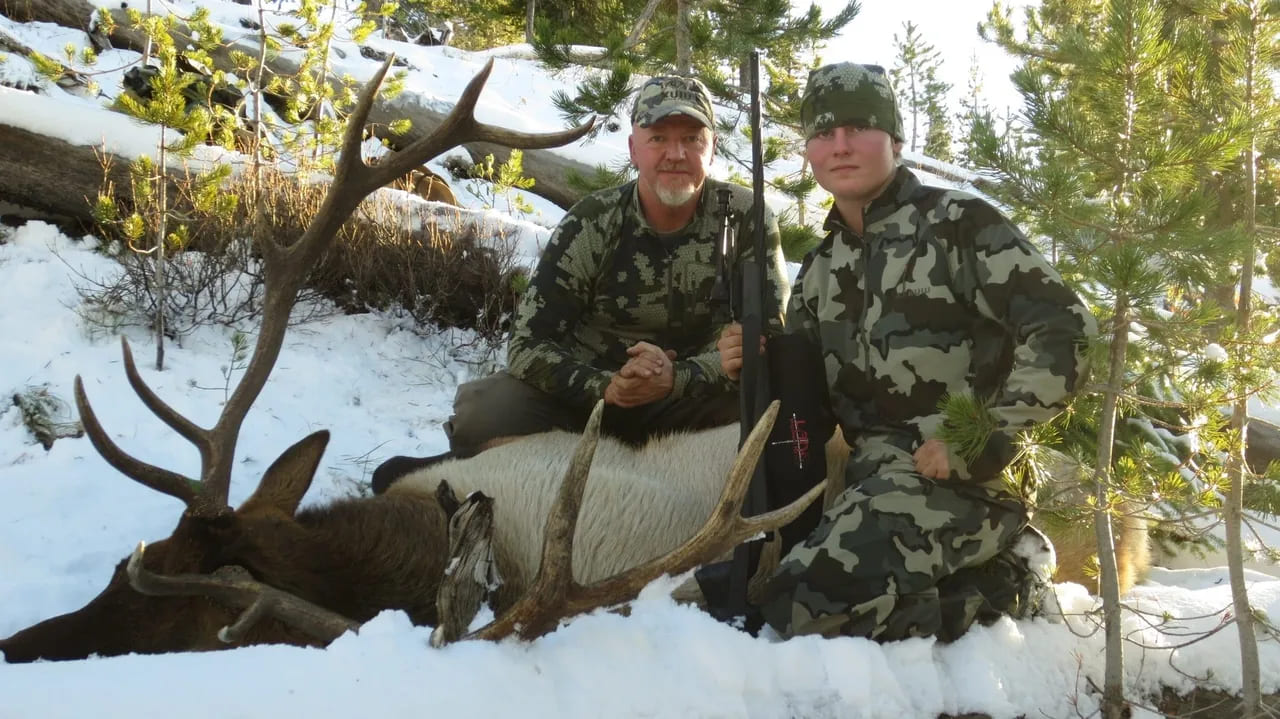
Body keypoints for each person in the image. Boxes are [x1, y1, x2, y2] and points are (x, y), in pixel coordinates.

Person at [717, 62, 1097, 642]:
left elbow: (1065, 329)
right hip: (874, 485)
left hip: (974, 482)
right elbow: (811, 414)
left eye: (857, 128)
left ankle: (1008, 585)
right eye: (824, 133)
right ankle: (959, 579)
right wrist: (755, 366)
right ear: (810, 151)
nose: (840, 146)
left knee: (805, 603)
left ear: (895, 139)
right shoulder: (820, 268)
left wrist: (981, 436)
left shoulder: (960, 225)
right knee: (762, 590)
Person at [372, 75, 789, 493]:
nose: (676, 154)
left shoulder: (746, 216)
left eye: (692, 139)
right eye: (658, 138)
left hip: (691, 400)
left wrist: (678, 377)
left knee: (780, 398)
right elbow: (527, 346)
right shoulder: (592, 221)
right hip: (589, 401)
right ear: (633, 149)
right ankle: (488, 472)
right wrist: (607, 387)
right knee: (483, 412)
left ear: (712, 148)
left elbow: (770, 338)